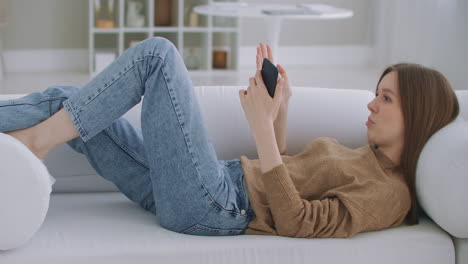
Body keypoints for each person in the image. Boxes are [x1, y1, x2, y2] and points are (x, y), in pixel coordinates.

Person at [0, 37, 459, 238]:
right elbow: (281, 170)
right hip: (207, 186)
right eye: (377, 94)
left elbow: (297, 222)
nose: (371, 105)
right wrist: (278, 114)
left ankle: (37, 144)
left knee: (158, 56)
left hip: (217, 205)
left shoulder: (390, 194)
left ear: (417, 114)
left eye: (386, 99)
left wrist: (258, 128)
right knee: (69, 100)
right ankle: (41, 135)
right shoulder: (368, 158)